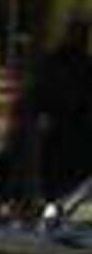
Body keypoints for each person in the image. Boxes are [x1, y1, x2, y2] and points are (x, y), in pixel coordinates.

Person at [30, 20, 92, 201]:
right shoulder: (84, 66)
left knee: (56, 184)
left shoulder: (52, 63)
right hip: (75, 136)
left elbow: (38, 95)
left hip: (58, 134)